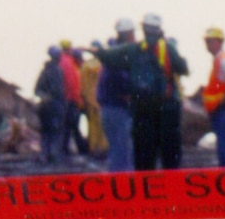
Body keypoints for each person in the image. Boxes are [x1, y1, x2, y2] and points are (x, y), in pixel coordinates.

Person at [131, 13, 188, 171]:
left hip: (142, 107)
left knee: (144, 153)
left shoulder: (137, 48)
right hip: (167, 105)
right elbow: (183, 68)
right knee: (170, 152)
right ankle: (172, 188)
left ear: (143, 28)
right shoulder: (168, 46)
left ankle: (145, 189)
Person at [96, 18, 139, 172]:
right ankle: (121, 189)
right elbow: (121, 81)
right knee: (121, 153)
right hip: (116, 108)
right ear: (129, 34)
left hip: (112, 108)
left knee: (120, 151)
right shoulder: (118, 56)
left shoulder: (114, 53)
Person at [201, 27, 225, 168]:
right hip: (220, 110)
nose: (208, 44)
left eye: (211, 41)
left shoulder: (222, 59)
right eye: (207, 41)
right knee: (224, 150)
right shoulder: (218, 59)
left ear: (219, 42)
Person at [34, 45, 69, 164]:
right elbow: (59, 91)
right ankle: (53, 156)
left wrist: (44, 98)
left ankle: (45, 155)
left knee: (46, 132)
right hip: (54, 106)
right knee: (55, 131)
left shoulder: (45, 71)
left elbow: (37, 90)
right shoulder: (57, 71)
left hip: (46, 107)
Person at [79, 44, 106, 157]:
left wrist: (84, 98)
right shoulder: (103, 65)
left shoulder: (85, 66)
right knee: (103, 126)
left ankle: (93, 147)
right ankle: (104, 147)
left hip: (90, 100)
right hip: (102, 99)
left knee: (92, 126)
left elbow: (82, 84)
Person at [58, 40, 84, 155]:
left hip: (65, 99)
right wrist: (77, 99)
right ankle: (67, 149)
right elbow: (72, 83)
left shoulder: (61, 61)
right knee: (71, 125)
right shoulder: (69, 63)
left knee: (69, 126)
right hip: (70, 99)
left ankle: (65, 149)